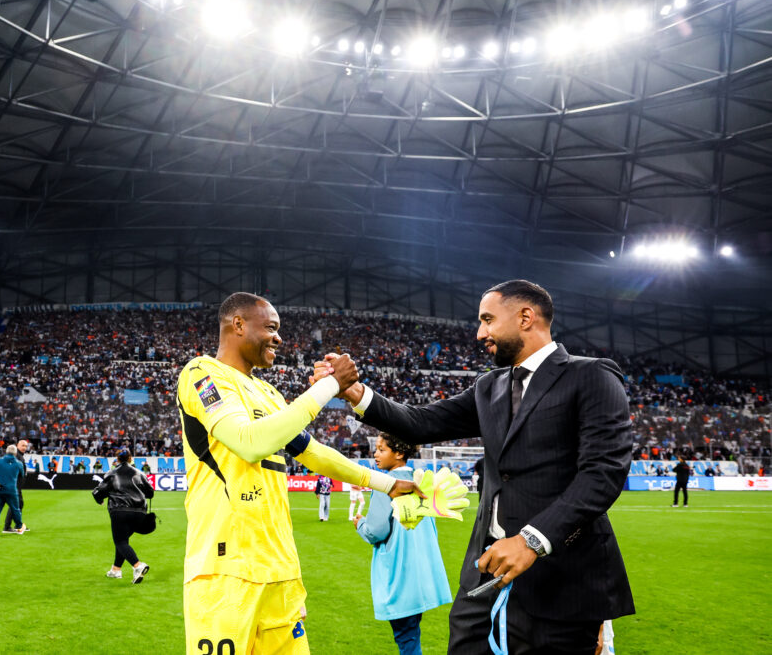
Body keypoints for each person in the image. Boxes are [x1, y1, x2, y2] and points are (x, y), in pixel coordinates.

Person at [323, 279, 635, 655]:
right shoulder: (489, 386)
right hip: (484, 575)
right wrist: (356, 393)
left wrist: (532, 540)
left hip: (561, 576)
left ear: (525, 317)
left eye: (487, 320)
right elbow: (420, 422)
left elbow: (603, 473)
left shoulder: (590, 375)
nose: (479, 332)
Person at [176, 292, 420, 654]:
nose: (279, 338)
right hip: (226, 570)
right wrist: (329, 386)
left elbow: (314, 454)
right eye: (271, 328)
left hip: (280, 570)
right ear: (238, 324)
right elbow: (248, 441)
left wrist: (388, 483)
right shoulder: (202, 372)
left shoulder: (270, 394)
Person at [355, 433, 452, 655]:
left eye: (382, 449)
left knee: (407, 641)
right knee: (410, 635)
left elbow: (377, 532)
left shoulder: (386, 485)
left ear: (399, 453)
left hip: (399, 576)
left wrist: (360, 525)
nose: (376, 454)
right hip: (421, 574)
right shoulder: (421, 482)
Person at [94, 449, 155, 583]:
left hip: (119, 511)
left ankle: (138, 566)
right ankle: (116, 570)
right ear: (130, 458)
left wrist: (100, 500)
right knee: (123, 540)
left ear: (117, 459)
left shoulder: (112, 473)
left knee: (120, 541)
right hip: (139, 513)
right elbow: (150, 492)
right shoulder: (139, 473)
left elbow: (98, 491)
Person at [0, 445, 26, 537]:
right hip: (11, 490)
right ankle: (19, 527)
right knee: (15, 509)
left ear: (6, 451)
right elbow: (22, 474)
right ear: (15, 453)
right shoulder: (19, 463)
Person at [3, 440, 30, 533]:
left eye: (26, 446)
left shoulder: (20, 456)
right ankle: (8, 527)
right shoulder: (16, 456)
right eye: (22, 445)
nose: (24, 448)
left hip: (17, 485)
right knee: (15, 504)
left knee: (19, 504)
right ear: (17, 445)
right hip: (14, 485)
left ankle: (17, 525)